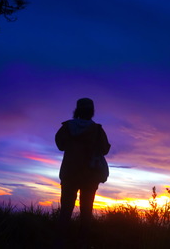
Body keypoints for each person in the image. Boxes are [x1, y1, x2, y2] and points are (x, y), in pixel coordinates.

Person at [55, 98, 111, 247]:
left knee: (66, 209)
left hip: (69, 174)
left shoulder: (67, 127)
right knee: (87, 210)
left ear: (77, 110)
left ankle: (60, 241)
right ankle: (82, 242)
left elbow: (60, 145)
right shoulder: (97, 129)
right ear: (92, 111)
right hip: (89, 176)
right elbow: (105, 149)